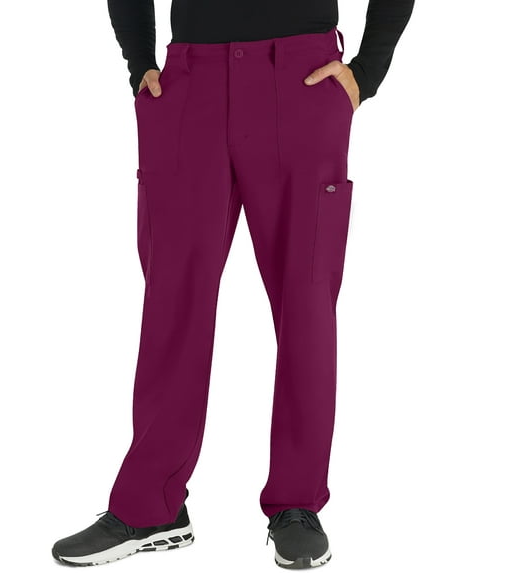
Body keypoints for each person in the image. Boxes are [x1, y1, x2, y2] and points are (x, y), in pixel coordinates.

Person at [52, 0, 414, 568]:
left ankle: (297, 503)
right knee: (173, 303)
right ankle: (150, 505)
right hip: (189, 82)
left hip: (302, 79)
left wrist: (367, 71)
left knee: (306, 303)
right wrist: (139, 60)